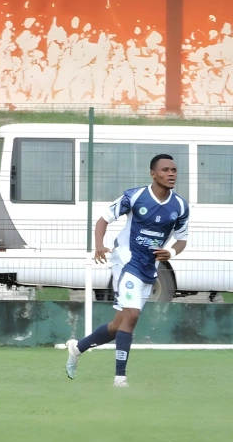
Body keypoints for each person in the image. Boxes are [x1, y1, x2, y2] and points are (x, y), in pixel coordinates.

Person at [65, 154, 189, 387]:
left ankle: (77, 348)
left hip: (148, 268)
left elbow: (181, 240)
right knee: (132, 316)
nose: (171, 174)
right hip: (125, 262)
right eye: (165, 170)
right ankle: (120, 378)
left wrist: (171, 252)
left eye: (174, 170)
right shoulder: (135, 196)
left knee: (118, 325)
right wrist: (99, 244)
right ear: (153, 173)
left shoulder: (180, 206)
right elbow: (103, 219)